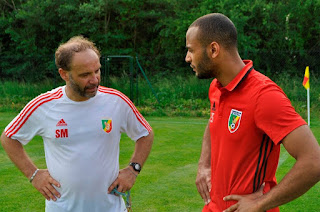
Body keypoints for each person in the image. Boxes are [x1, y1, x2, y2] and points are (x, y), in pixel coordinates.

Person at [1, 36, 154, 212]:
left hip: (111, 208)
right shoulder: (44, 105)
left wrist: (133, 170)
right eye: (85, 75)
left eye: (97, 71)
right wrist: (33, 174)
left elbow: (145, 134)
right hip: (62, 208)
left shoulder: (116, 101)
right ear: (64, 74)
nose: (95, 79)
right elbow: (9, 138)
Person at [185, 13, 320, 212]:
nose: (187, 58)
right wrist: (204, 164)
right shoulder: (216, 87)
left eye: (190, 50)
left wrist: (260, 203)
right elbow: (214, 121)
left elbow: (314, 161)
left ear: (213, 49)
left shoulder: (264, 96)